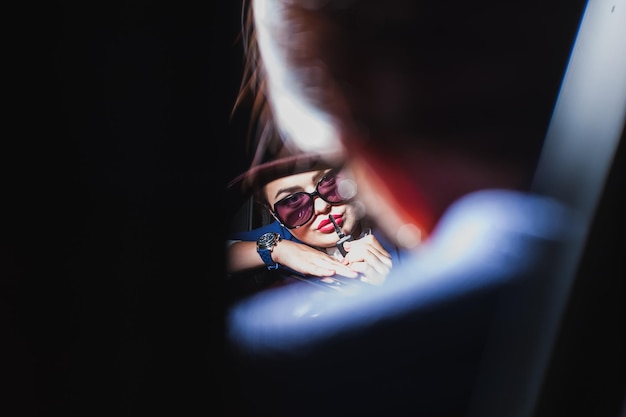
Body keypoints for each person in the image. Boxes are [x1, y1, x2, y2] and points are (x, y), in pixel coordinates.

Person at [225, 1, 589, 417]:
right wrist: (278, 250)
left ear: (367, 168)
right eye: (293, 205)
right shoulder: (281, 252)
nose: (321, 205)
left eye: (330, 185)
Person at [226, 136, 402, 299]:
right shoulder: (282, 237)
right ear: (273, 213)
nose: (322, 207)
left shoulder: (398, 225)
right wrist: (278, 251)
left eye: (330, 181)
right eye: (293, 200)